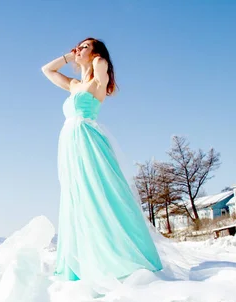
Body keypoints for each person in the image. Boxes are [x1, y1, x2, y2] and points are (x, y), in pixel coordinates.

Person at [41, 37, 162, 282]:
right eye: (78, 45)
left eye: (84, 46)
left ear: (97, 54)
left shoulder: (98, 80)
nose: (79, 49)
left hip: (88, 140)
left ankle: (125, 255)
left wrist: (95, 56)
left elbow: (100, 64)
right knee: (77, 196)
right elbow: (47, 70)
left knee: (103, 191)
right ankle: (81, 260)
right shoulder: (74, 85)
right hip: (70, 143)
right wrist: (69, 55)